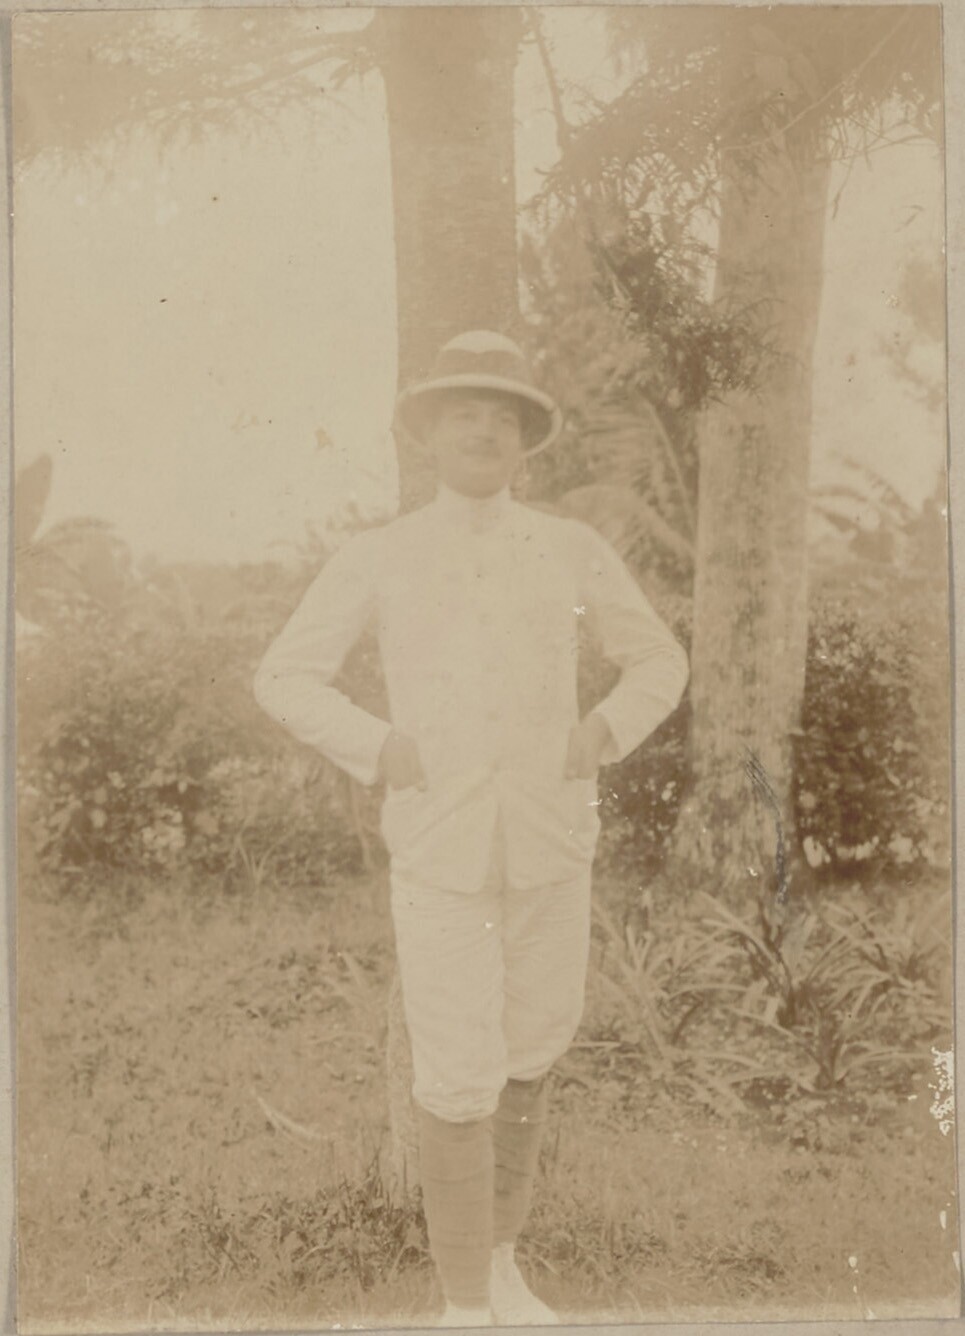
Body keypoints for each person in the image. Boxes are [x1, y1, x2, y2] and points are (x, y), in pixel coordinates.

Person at [254, 329, 689, 1326]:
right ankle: (459, 1304)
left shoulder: (568, 548)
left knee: (531, 1047)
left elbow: (657, 659)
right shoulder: (381, 554)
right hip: (439, 846)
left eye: (502, 418)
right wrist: (378, 745)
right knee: (455, 1069)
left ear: (526, 440)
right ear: (428, 434)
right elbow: (283, 675)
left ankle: (500, 1268)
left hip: (549, 840)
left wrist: (600, 731)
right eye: (463, 415)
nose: (482, 432)